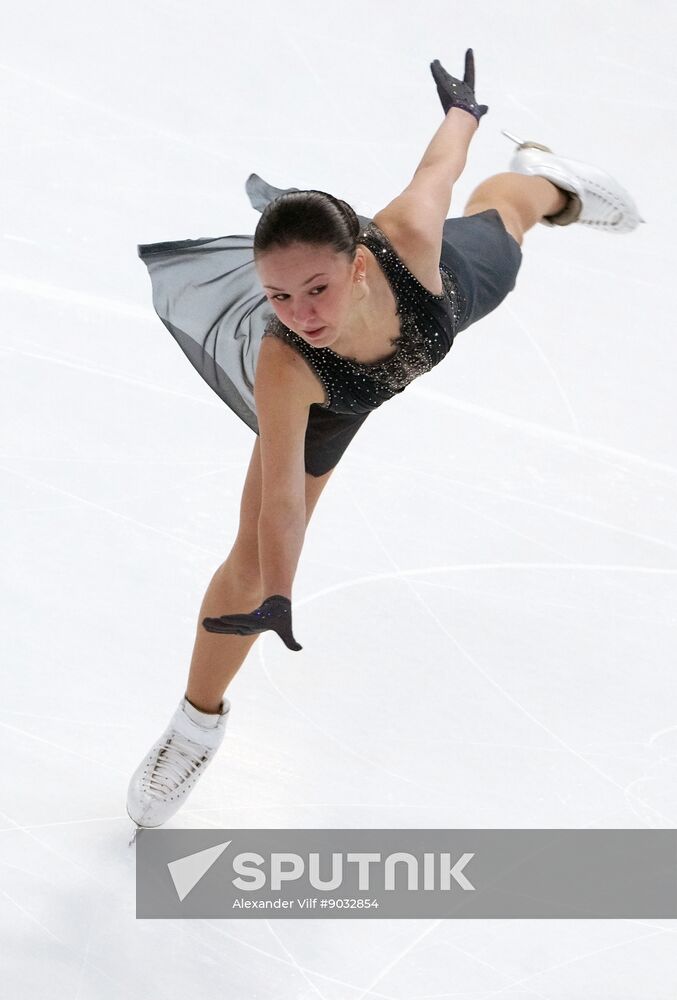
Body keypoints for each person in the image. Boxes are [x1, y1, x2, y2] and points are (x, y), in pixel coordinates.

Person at [126, 50, 643, 835]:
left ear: (360, 264)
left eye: (317, 288)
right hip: (339, 396)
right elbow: (281, 500)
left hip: (448, 298)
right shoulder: (286, 362)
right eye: (278, 295)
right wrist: (278, 591)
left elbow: (439, 165)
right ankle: (195, 726)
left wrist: (463, 111)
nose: (300, 311)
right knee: (248, 557)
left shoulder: (405, 234)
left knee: (509, 211)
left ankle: (544, 174)